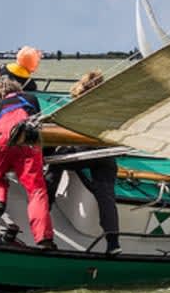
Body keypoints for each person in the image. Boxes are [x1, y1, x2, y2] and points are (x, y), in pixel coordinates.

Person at [45, 71, 122, 255]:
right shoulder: (110, 106)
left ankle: (45, 208)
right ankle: (113, 242)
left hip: (82, 152)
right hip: (104, 155)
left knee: (55, 164)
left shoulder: (77, 102)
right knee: (106, 195)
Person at [0, 89, 54, 249]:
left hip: (0, 140)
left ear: (1, 94)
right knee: (36, 190)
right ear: (19, 90)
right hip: (26, 140)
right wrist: (44, 157)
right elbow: (40, 124)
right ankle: (44, 238)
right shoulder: (30, 98)